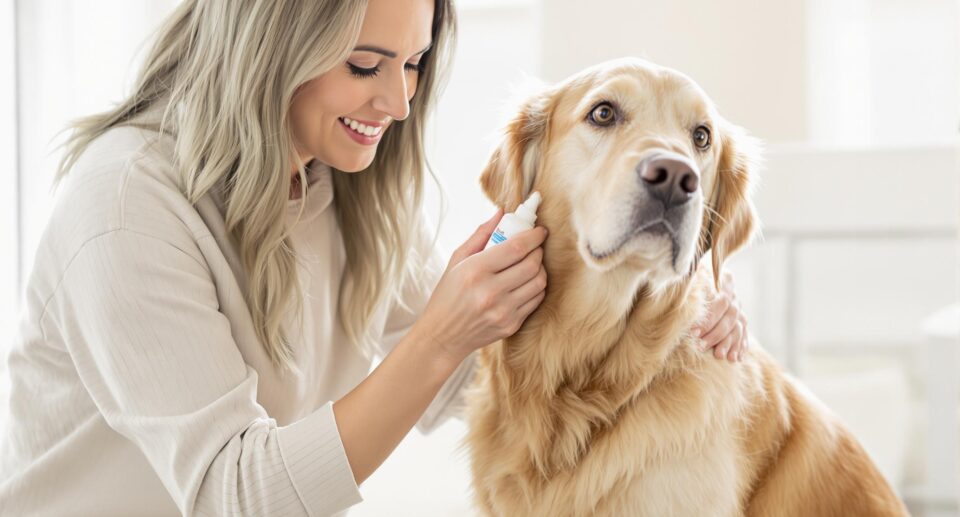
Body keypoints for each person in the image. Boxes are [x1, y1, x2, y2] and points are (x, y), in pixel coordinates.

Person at [0, 0, 749, 515]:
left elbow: (471, 381)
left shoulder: (339, 185)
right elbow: (237, 494)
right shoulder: (125, 207)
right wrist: (441, 333)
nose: (397, 101)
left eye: (414, 64)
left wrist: (675, 318)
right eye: (365, 65)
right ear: (267, 49)